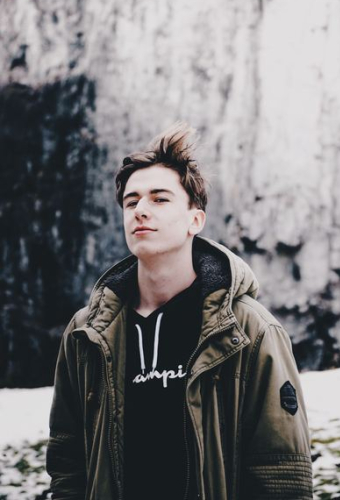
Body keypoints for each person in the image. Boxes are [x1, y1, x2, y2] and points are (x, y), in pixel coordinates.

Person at [46, 123, 313, 500]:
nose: (141, 210)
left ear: (195, 220)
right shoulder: (86, 332)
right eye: (131, 201)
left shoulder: (250, 330)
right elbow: (67, 462)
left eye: (159, 199)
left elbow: (281, 476)